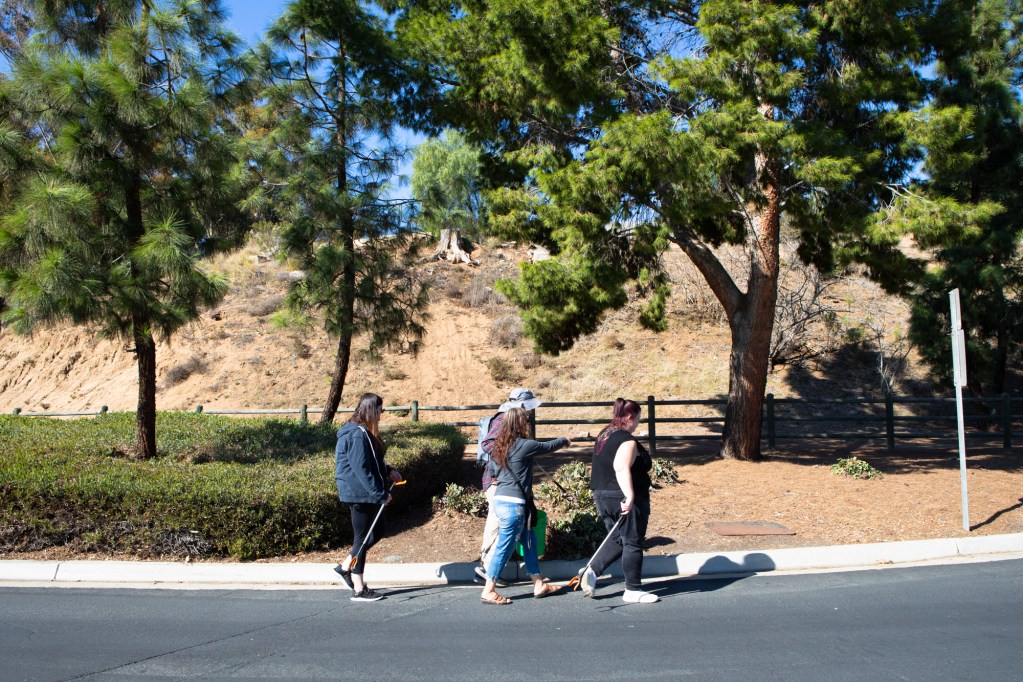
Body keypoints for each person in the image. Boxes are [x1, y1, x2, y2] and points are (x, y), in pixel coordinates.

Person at [481, 407, 571, 605]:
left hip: (501, 501)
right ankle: (489, 589)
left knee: (529, 540)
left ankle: (538, 583)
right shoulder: (524, 445)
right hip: (515, 505)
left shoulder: (499, 447)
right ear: (521, 424)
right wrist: (564, 440)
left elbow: (494, 472)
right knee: (504, 548)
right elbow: (547, 447)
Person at [578, 398, 658, 604]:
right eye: (638, 419)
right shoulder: (627, 440)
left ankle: (592, 570)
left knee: (617, 538)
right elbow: (621, 467)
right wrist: (630, 496)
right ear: (630, 417)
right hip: (622, 496)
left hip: (602, 494)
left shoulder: (604, 434)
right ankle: (632, 589)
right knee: (632, 541)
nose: (638, 423)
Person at [332, 393, 403, 602]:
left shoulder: (364, 432)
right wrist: (380, 494)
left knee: (377, 532)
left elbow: (371, 460)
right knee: (361, 540)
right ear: (372, 409)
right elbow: (361, 469)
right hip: (358, 493)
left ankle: (345, 566)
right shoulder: (356, 434)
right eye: (381, 409)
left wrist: (388, 470)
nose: (383, 413)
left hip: (365, 492)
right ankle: (359, 588)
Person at [475, 387, 543, 586]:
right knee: (498, 525)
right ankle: (487, 569)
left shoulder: (511, 418)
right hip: (498, 481)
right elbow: (488, 444)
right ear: (520, 405)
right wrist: (509, 456)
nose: (531, 411)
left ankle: (491, 569)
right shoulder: (504, 418)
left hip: (503, 480)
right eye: (528, 407)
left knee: (506, 526)